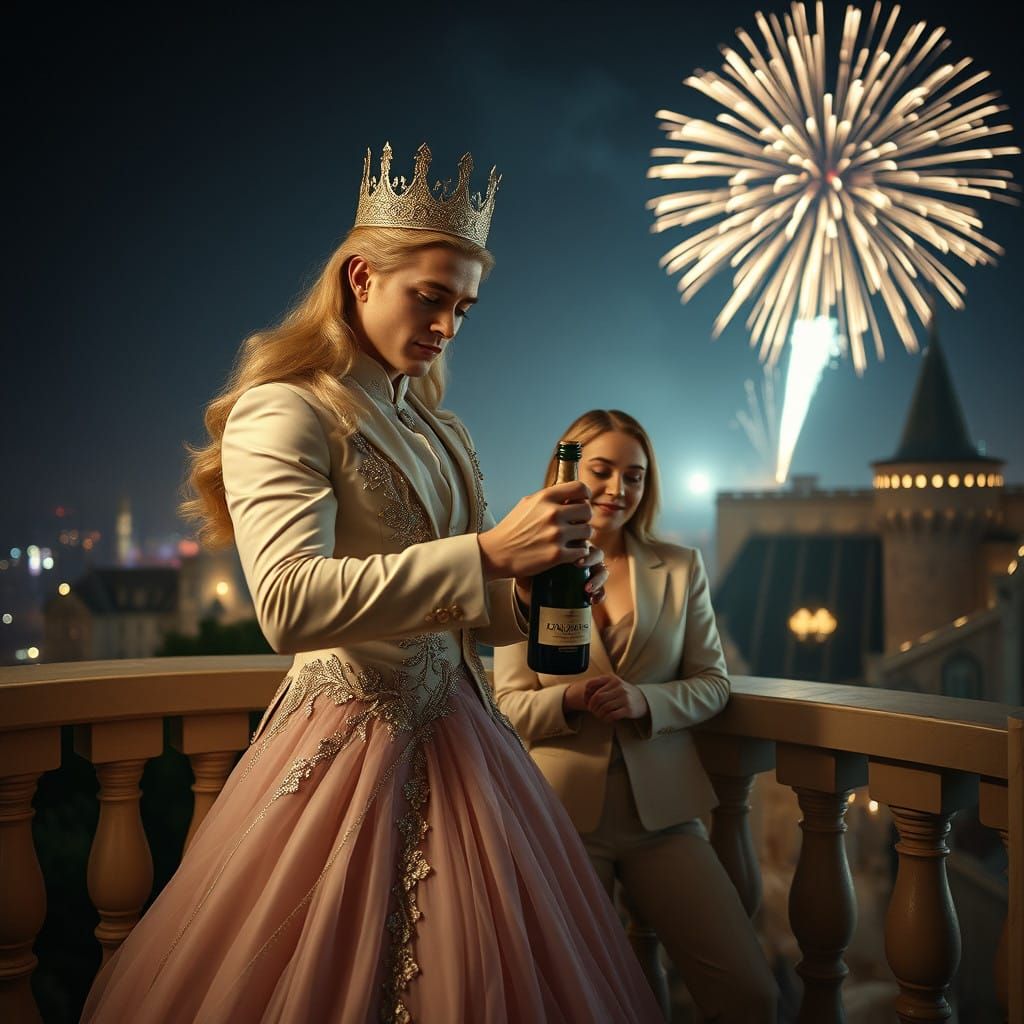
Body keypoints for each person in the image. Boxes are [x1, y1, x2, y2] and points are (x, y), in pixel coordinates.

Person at [81, 145, 662, 1023]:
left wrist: (538, 581)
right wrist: (491, 555)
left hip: (470, 741)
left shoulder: (440, 430)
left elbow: (470, 618)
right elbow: (287, 604)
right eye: (430, 296)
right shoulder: (285, 408)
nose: (449, 326)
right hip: (348, 751)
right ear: (360, 275)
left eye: (464, 307)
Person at [494, 410, 778, 1023]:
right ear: (568, 472)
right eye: (602, 471)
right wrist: (568, 700)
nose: (618, 490)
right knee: (591, 1004)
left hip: (668, 819)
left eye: (636, 477)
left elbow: (714, 684)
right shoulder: (525, 572)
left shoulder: (680, 567)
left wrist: (646, 700)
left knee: (752, 994)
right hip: (560, 816)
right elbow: (507, 705)